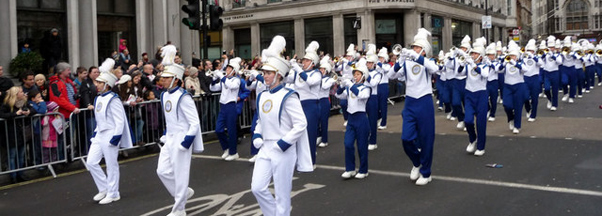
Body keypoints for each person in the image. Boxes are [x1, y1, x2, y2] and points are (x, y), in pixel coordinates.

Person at [251, 35, 313, 216]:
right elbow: (261, 120)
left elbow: (301, 123)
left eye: (268, 73)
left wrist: (284, 143)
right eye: (264, 73)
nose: (265, 76)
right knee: (257, 187)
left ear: (278, 75)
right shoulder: (262, 95)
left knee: (282, 194)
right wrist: (257, 134)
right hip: (265, 147)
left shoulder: (289, 95)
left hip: (283, 148)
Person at [156, 44, 203, 216]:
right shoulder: (164, 95)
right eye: (163, 77)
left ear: (176, 79)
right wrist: (165, 135)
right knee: (161, 170)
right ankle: (183, 194)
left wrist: (187, 140)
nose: (163, 80)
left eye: (167, 78)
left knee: (181, 174)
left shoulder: (184, 97)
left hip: (182, 137)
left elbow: (194, 122)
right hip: (169, 138)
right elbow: (169, 119)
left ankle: (179, 209)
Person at [389, 28, 438, 185]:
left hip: (424, 102)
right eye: (413, 47)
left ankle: (426, 172)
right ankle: (417, 162)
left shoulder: (428, 62)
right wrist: (401, 59)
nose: (413, 49)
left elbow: (435, 69)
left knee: (426, 139)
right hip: (410, 102)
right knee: (406, 138)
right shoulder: (407, 63)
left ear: (424, 50)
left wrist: (416, 56)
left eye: (417, 47)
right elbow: (391, 75)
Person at [86, 58, 133, 205]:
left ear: (107, 84)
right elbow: (99, 119)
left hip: (111, 134)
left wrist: (116, 137)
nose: (97, 85)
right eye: (97, 82)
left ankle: (113, 193)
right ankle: (104, 188)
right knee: (91, 162)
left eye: (100, 82)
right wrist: (95, 133)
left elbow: (120, 120)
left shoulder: (114, 99)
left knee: (111, 165)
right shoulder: (98, 98)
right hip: (100, 134)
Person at [285, 41, 322, 166]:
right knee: (296, 133)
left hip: (311, 105)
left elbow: (310, 82)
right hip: (298, 105)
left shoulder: (317, 73)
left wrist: (297, 68)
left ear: (312, 63)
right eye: (304, 60)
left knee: (310, 134)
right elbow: (285, 79)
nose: (304, 62)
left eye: (306, 60)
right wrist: (285, 67)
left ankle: (311, 160)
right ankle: (298, 159)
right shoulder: (297, 72)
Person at [335, 58, 371, 179]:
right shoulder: (350, 87)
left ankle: (363, 170)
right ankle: (350, 169)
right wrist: (341, 85)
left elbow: (361, 95)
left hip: (361, 118)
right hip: (351, 119)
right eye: (354, 74)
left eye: (358, 74)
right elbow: (338, 95)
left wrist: (350, 84)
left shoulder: (366, 88)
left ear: (363, 76)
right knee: (348, 144)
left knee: (362, 146)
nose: (355, 76)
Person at [0, 86, 37, 183]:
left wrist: (29, 112)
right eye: (21, 92)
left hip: (22, 133)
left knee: (21, 155)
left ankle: (21, 173)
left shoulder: (25, 102)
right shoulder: (6, 105)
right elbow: (2, 115)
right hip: (11, 134)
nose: (23, 93)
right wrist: (16, 114)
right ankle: (13, 175)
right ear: (16, 94)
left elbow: (34, 109)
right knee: (12, 155)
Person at [210, 57, 241, 161]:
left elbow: (231, 86)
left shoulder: (236, 80)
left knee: (231, 130)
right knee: (218, 130)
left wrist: (221, 77)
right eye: (226, 68)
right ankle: (226, 148)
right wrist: (214, 79)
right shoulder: (225, 80)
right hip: (223, 106)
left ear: (233, 71)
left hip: (231, 106)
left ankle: (233, 152)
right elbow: (213, 88)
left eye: (228, 68)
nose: (226, 70)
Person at [462, 37, 490, 156]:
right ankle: (472, 139)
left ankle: (481, 146)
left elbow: (484, 74)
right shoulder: (468, 65)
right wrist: (462, 63)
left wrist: (473, 65)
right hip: (469, 94)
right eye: (472, 53)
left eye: (475, 53)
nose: (473, 55)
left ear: (481, 55)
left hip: (481, 95)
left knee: (480, 123)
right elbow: (458, 73)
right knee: (468, 120)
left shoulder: (485, 66)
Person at [49, 62, 80, 160]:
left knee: (69, 136)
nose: (70, 72)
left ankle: (69, 156)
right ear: (61, 71)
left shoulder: (69, 81)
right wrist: (73, 108)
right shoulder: (55, 84)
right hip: (63, 115)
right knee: (62, 138)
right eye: (68, 70)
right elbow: (59, 100)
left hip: (71, 113)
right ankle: (62, 158)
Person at [497, 41, 526, 134]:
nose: (512, 57)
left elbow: (525, 70)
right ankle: (511, 118)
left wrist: (515, 63)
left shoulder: (521, 63)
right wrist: (504, 63)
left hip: (519, 85)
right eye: (511, 55)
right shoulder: (506, 63)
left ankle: (517, 126)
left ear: (517, 56)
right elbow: (498, 70)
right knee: (507, 105)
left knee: (518, 106)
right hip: (508, 86)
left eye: (514, 56)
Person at [364, 45, 382, 151]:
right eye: (367, 63)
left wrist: (367, 75)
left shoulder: (377, 74)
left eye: (370, 63)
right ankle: (365, 138)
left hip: (372, 97)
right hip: (363, 97)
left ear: (374, 64)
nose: (368, 65)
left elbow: (374, 84)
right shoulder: (363, 72)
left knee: (372, 120)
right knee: (364, 120)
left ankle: (373, 141)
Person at [317, 56, 335, 148]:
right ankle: (318, 135)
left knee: (324, 121)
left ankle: (325, 140)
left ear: (326, 70)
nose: (320, 70)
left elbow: (324, 86)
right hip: (317, 101)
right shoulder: (318, 78)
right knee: (316, 120)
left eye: (322, 69)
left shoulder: (330, 79)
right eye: (320, 68)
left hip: (324, 101)